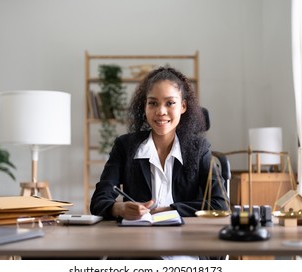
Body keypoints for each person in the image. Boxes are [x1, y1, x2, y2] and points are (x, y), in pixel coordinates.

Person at [90, 66, 229, 259]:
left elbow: (220, 204)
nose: (160, 111)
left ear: (183, 106)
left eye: (170, 103)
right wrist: (118, 208)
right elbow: (99, 200)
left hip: (187, 249)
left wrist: (167, 210)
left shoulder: (199, 149)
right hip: (138, 251)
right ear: (144, 107)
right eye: (153, 103)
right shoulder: (125, 146)